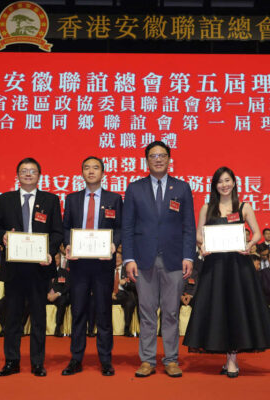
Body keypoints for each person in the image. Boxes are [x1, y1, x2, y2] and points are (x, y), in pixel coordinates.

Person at [183, 166, 270, 378]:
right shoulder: (207, 207)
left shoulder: (244, 207)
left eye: (227, 180)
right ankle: (226, 354)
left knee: (237, 309)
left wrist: (249, 245)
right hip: (215, 267)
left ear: (234, 183)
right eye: (220, 181)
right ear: (215, 185)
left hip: (239, 267)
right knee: (218, 309)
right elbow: (198, 235)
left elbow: (257, 233)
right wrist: (203, 245)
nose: (224, 185)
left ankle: (232, 359)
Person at [123, 141, 196, 378]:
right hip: (143, 260)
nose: (158, 159)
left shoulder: (182, 188)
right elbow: (127, 227)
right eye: (153, 156)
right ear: (146, 160)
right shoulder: (135, 188)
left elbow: (189, 226)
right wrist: (128, 258)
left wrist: (188, 256)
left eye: (162, 155)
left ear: (169, 159)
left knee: (171, 312)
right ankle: (147, 360)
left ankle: (171, 359)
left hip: (174, 260)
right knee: (146, 311)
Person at [0, 157, 63, 377]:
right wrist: (2, 236)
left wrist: (49, 252)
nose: (28, 174)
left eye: (32, 171)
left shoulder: (51, 200)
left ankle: (37, 362)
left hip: (39, 267)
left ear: (39, 175)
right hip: (14, 267)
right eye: (24, 171)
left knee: (38, 317)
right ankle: (11, 361)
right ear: (18, 175)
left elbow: (57, 231)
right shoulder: (5, 199)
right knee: (13, 317)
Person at [61, 156, 122, 376]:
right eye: (86, 168)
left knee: (103, 312)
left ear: (103, 173)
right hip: (79, 264)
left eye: (96, 168)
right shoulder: (72, 199)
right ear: (82, 173)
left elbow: (120, 227)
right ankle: (76, 359)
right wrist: (68, 244)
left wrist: (114, 243)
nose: (91, 171)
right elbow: (66, 226)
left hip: (103, 264)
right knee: (78, 311)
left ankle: (105, 360)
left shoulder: (114, 199)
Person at [47, 252, 70, 338]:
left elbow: (67, 286)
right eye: (54, 258)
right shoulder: (46, 271)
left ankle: (58, 328)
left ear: (60, 260)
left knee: (63, 301)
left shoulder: (64, 272)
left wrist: (57, 294)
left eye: (57, 258)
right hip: (46, 295)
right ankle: (22, 326)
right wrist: (47, 294)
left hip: (58, 296)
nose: (55, 260)